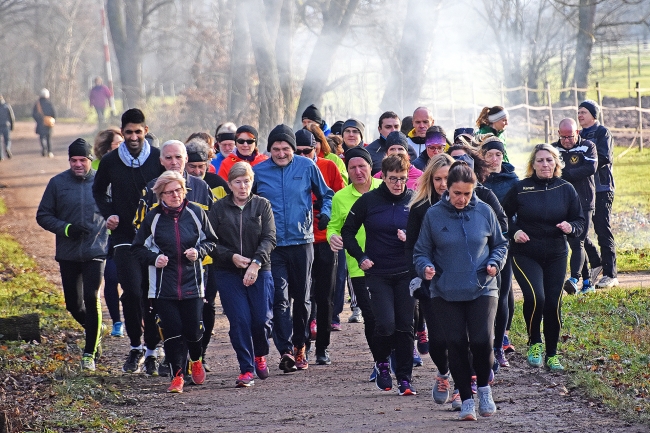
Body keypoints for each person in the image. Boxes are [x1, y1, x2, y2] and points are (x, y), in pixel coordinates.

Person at [414, 161, 508, 420]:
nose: (462, 199)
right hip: (445, 290)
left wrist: (494, 263)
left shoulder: (485, 211)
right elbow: (421, 251)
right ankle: (466, 399)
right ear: (447, 189)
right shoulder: (434, 214)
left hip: (483, 287)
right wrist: (426, 267)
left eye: (467, 194)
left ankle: (485, 389)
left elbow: (501, 244)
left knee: (480, 341)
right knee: (455, 343)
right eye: (457, 193)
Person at [252, 124, 333, 372]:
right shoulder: (259, 171)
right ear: (269, 150)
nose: (281, 153)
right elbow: (248, 202)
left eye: (285, 148)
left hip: (302, 241)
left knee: (303, 298)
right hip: (273, 245)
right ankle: (285, 350)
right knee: (279, 299)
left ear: (292, 149)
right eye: (275, 149)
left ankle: (301, 347)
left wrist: (325, 214)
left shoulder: (307, 166)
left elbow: (326, 194)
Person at [132, 139, 215, 375]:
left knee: (201, 316)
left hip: (200, 267)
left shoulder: (201, 188)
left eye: (178, 157)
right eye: (168, 158)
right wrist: (153, 257)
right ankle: (174, 363)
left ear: (186, 159)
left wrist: (200, 253)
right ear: (161, 161)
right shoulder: (151, 190)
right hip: (163, 272)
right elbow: (140, 229)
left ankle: (198, 358)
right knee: (168, 320)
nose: (174, 162)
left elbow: (213, 229)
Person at [92, 108, 163, 374]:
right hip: (123, 236)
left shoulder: (157, 158)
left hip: (154, 237)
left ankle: (153, 350)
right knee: (132, 292)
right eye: (128, 132)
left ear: (146, 131)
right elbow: (98, 191)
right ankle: (135, 346)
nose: (133, 137)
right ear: (122, 133)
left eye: (138, 131)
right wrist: (109, 214)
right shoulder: (110, 161)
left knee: (152, 295)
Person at [502, 144, 585, 372]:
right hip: (526, 253)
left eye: (549, 160)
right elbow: (501, 216)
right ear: (533, 164)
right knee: (537, 297)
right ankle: (534, 342)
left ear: (556, 163)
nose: (545, 164)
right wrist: (514, 231)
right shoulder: (521, 188)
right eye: (540, 160)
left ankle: (551, 353)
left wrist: (571, 227)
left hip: (557, 253)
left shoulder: (566, 189)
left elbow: (580, 221)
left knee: (553, 302)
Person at [341, 155, 416, 396]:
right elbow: (347, 232)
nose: (398, 184)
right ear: (382, 177)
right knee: (385, 324)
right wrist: (360, 257)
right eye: (393, 179)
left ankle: (405, 379)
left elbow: (426, 233)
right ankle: (382, 362)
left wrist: (411, 239)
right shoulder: (368, 201)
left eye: (403, 179)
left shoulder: (414, 201)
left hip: (405, 272)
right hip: (377, 272)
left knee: (405, 326)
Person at [36, 139, 109, 371]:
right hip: (67, 253)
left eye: (82, 160)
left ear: (90, 160)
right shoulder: (57, 183)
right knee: (73, 305)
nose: (78, 164)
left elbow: (119, 210)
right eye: (74, 160)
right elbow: (43, 215)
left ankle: (89, 354)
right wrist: (67, 229)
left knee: (91, 296)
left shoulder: (103, 181)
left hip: (96, 250)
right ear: (69, 161)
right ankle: (95, 329)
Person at [208, 162, 276, 387]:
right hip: (227, 271)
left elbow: (269, 238)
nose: (243, 186)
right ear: (229, 184)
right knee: (240, 320)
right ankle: (246, 368)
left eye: (246, 181)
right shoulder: (218, 208)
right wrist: (231, 257)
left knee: (261, 319)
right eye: (237, 182)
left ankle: (260, 353)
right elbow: (210, 243)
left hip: (259, 268)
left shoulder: (262, 205)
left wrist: (255, 263)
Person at [327, 147, 382, 380]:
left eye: (362, 166)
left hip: (389, 262)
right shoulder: (341, 197)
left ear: (371, 167)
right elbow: (333, 225)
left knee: (391, 316)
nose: (358, 171)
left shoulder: (385, 188)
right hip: (358, 265)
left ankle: (397, 356)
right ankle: (380, 361)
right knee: (370, 316)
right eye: (352, 168)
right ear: (347, 170)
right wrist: (332, 236)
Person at [295, 129, 345, 365]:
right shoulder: (290, 168)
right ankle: (301, 344)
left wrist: (330, 218)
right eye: (299, 151)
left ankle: (322, 347)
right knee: (301, 296)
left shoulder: (329, 167)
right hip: (300, 240)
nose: (304, 155)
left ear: (317, 148)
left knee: (325, 295)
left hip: (325, 238)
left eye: (308, 150)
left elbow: (339, 196)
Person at [480, 136, 519, 357]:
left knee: (504, 290)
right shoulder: (477, 180)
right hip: (480, 242)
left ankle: (502, 335)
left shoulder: (512, 180)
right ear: (482, 157)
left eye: (499, 155)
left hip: (504, 240)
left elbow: (517, 211)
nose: (495, 159)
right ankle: (486, 333)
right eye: (490, 154)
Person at [554, 118, 598, 295]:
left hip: (585, 201)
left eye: (570, 136)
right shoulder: (553, 149)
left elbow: (590, 167)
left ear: (577, 133)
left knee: (578, 240)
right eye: (563, 137)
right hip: (563, 203)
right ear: (558, 134)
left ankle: (574, 279)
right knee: (575, 240)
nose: (566, 140)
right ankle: (588, 282)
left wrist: (565, 174)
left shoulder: (588, 146)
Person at [578, 100, 618, 289]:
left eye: (584, 112)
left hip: (602, 187)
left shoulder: (602, 132)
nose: (580, 115)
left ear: (594, 115)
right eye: (578, 112)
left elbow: (605, 157)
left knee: (602, 227)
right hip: (583, 189)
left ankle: (611, 274)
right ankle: (596, 261)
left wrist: (580, 167)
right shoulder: (577, 135)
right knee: (580, 229)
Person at [92, 128, 124, 337]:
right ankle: (117, 321)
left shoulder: (128, 165)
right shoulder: (95, 167)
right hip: (102, 234)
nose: (123, 148)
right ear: (106, 148)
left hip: (126, 231)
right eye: (117, 144)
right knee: (111, 277)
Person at [32, 88, 56, 158]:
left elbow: (34, 114)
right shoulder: (49, 103)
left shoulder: (37, 104)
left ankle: (44, 149)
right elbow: (54, 113)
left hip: (40, 123)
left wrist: (38, 120)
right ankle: (49, 152)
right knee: (48, 138)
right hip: (49, 124)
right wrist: (52, 120)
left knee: (42, 137)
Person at [0, 95, 15, 160]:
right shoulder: (7, 106)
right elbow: (12, 117)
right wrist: (12, 126)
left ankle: (1, 156)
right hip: (6, 125)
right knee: (7, 140)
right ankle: (7, 148)